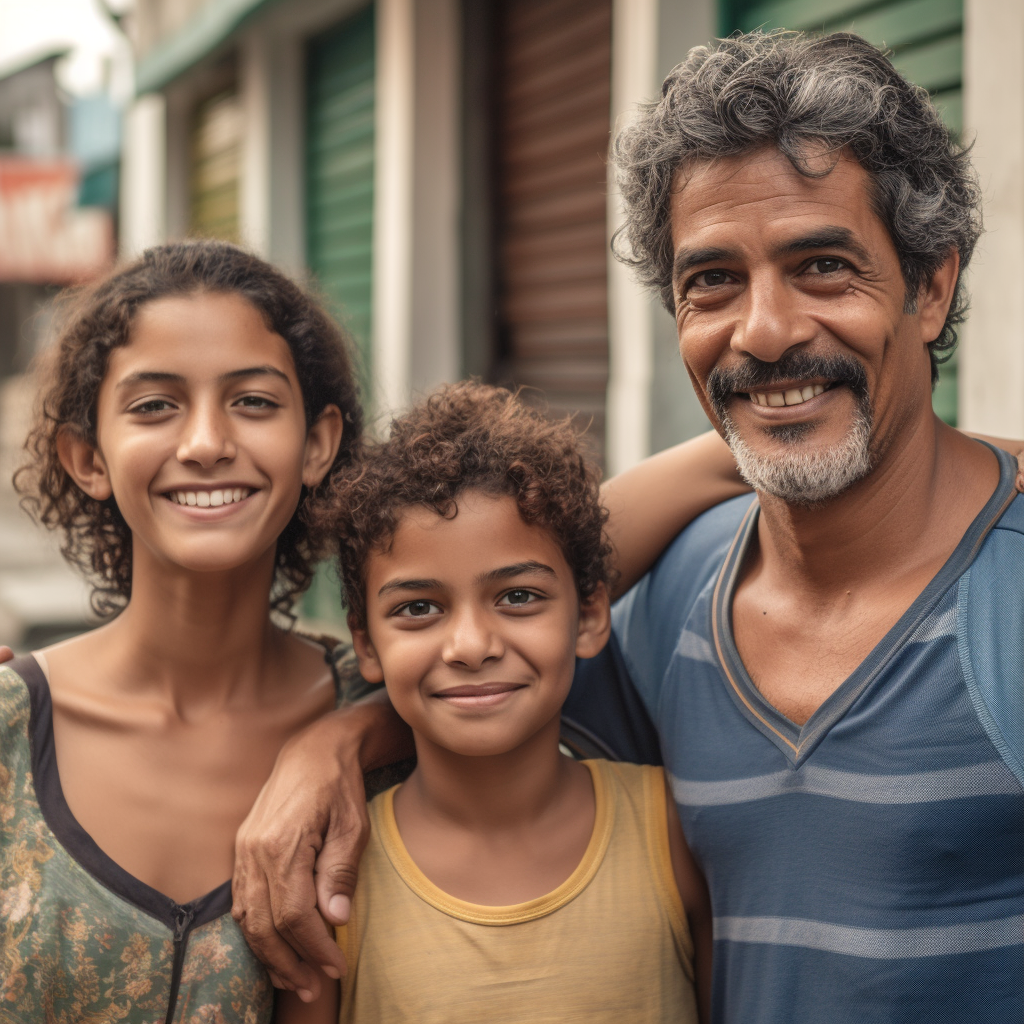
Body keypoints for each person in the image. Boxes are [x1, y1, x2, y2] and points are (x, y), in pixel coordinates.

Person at [229, 30, 1024, 1024]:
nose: (763, 331)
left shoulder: (1008, 593)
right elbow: (490, 661)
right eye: (712, 282)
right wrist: (336, 741)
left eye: (822, 266)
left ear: (931, 285)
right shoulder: (671, 596)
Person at [0, 240, 363, 1020]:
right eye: (154, 405)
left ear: (318, 443)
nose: (205, 444)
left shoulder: (398, 709)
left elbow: (556, 578)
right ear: (87, 457)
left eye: (255, 402)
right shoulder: (9, 733)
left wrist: (343, 738)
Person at [278, 381, 714, 1023]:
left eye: (517, 597)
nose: (471, 645)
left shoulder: (675, 833)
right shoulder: (336, 881)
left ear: (591, 614)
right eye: (418, 608)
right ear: (366, 645)